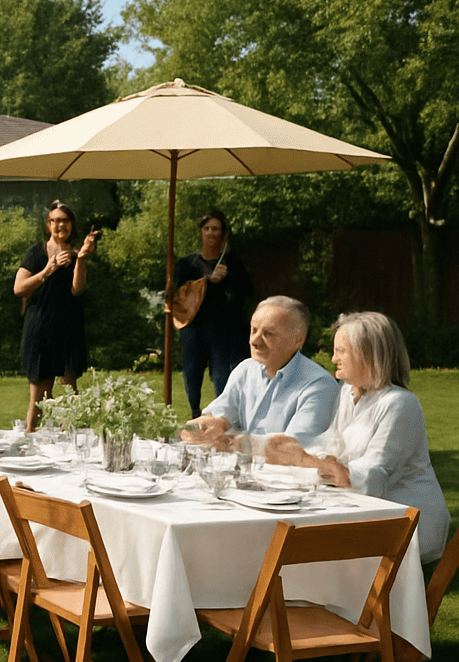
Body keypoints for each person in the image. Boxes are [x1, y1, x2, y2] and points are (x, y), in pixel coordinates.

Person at [265, 312, 450, 564]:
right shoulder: (348, 393)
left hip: (406, 527)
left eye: (341, 351)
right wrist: (292, 449)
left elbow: (375, 477)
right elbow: (333, 443)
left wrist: (310, 461)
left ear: (368, 353)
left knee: (302, 552)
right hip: (365, 518)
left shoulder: (400, 404)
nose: (333, 359)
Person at [181, 296, 337, 448]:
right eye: (253, 330)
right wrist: (208, 425)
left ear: (298, 340)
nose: (254, 341)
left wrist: (231, 443)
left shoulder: (319, 386)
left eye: (268, 334)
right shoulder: (246, 370)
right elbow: (219, 414)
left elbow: (295, 446)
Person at [14, 200, 99, 431]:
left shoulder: (75, 254)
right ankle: (31, 445)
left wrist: (81, 258)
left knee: (71, 395)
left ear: (72, 225)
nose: (60, 225)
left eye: (65, 221)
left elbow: (77, 290)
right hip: (40, 328)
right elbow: (19, 288)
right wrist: (47, 270)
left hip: (69, 328)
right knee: (40, 397)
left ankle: (70, 447)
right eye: (55, 221)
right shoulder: (36, 252)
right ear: (48, 224)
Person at [174, 208, 253, 418]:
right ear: (200, 232)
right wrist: (208, 279)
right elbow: (178, 293)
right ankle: (194, 414)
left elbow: (245, 292)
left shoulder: (232, 264)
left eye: (215, 229)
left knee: (221, 375)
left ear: (223, 234)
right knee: (192, 373)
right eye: (207, 228)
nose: (210, 233)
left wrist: (228, 279)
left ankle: (222, 417)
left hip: (222, 331)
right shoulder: (187, 264)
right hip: (193, 328)